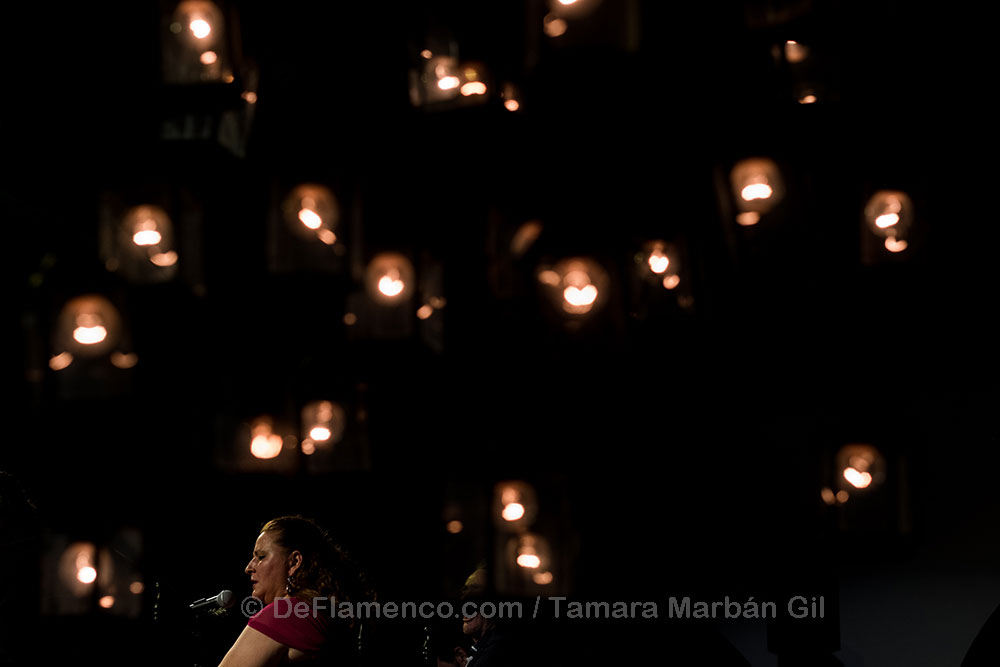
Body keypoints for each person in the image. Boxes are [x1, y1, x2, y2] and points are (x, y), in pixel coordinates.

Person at [219, 515, 372, 666]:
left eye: (261, 556)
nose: (249, 568)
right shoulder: (318, 612)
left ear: (294, 562)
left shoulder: (285, 613)